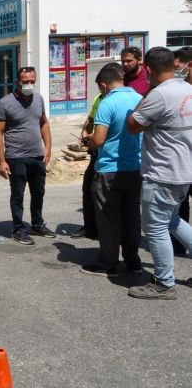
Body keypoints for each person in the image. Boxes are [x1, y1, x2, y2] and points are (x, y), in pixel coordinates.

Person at [127, 47, 192, 300]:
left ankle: (164, 282)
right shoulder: (187, 89)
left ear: (148, 70)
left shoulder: (160, 94)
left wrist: (146, 95)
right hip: (184, 169)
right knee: (172, 221)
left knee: (155, 228)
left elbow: (133, 125)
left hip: (163, 172)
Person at [79, 63, 142, 277]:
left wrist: (89, 141)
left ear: (104, 85)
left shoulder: (107, 103)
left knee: (108, 218)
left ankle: (108, 263)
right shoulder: (139, 98)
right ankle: (133, 261)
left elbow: (99, 139)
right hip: (135, 167)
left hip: (109, 168)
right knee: (132, 216)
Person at [0, 66, 56, 245]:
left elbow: (44, 124)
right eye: (25, 82)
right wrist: (1, 161)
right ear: (17, 82)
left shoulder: (39, 99)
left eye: (32, 81)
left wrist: (48, 148)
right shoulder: (4, 103)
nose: (29, 85)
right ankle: (18, 229)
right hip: (16, 156)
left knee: (38, 192)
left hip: (37, 155)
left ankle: (37, 224)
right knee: (18, 194)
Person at [72, 63, 125, 239]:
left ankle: (108, 233)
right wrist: (85, 132)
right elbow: (91, 119)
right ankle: (90, 227)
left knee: (106, 194)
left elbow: (113, 130)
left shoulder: (117, 100)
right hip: (96, 153)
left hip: (111, 154)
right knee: (89, 189)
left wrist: (94, 138)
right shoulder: (99, 99)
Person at [171, 46, 192, 255]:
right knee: (181, 205)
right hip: (183, 160)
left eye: (178, 67)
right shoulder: (181, 89)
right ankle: (178, 244)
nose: (177, 71)